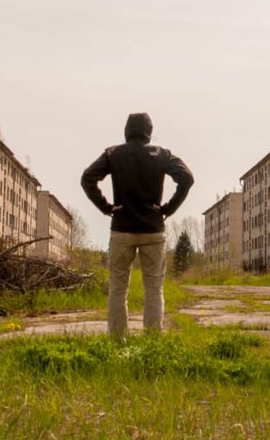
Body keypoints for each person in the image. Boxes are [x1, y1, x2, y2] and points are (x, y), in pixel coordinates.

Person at [81, 112, 193, 341]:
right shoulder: (162, 154)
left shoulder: (113, 153)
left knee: (118, 289)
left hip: (121, 229)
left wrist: (106, 207)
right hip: (153, 229)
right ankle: (152, 342)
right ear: (149, 132)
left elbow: (87, 178)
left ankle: (117, 342)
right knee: (153, 289)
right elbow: (187, 178)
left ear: (127, 130)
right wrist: (167, 209)